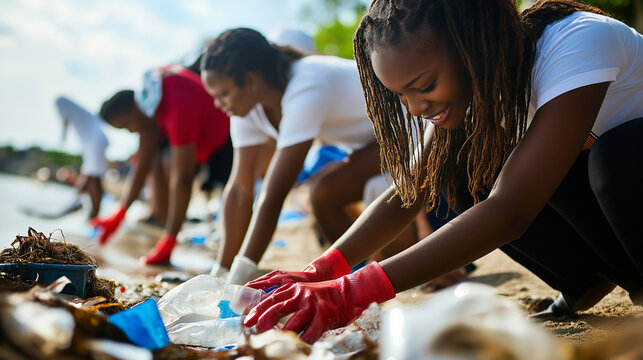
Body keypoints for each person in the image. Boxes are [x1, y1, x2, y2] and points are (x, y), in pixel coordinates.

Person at [242, 0, 643, 344]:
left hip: (626, 165)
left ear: (472, 48)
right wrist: (325, 269)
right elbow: (410, 189)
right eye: (402, 95)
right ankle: (582, 281)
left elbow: (512, 210)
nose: (415, 108)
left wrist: (354, 292)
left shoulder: (576, 41)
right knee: (461, 170)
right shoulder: (481, 85)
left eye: (424, 85)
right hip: (611, 191)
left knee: (611, 157)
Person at [201, 28, 419, 284]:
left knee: (322, 193)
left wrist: (241, 273)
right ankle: (357, 272)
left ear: (251, 80)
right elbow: (239, 189)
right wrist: (221, 271)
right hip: (370, 146)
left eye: (224, 94)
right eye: (214, 96)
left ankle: (378, 271)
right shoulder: (245, 107)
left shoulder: (307, 81)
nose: (218, 104)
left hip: (411, 129)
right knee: (323, 195)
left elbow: (274, 193)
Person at [92, 64, 231, 265]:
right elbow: (142, 165)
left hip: (222, 139)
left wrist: (170, 240)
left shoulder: (175, 107)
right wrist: (120, 213)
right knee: (154, 159)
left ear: (133, 108)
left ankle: (169, 229)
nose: (130, 132)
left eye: (126, 125)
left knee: (168, 162)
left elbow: (182, 178)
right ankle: (162, 217)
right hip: (196, 131)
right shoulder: (149, 99)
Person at [55, 96, 109, 219]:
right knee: (90, 176)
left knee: (94, 178)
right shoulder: (80, 111)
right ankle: (80, 204)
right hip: (96, 142)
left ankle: (93, 214)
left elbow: (65, 122)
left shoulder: (60, 102)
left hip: (95, 143)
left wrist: (62, 139)